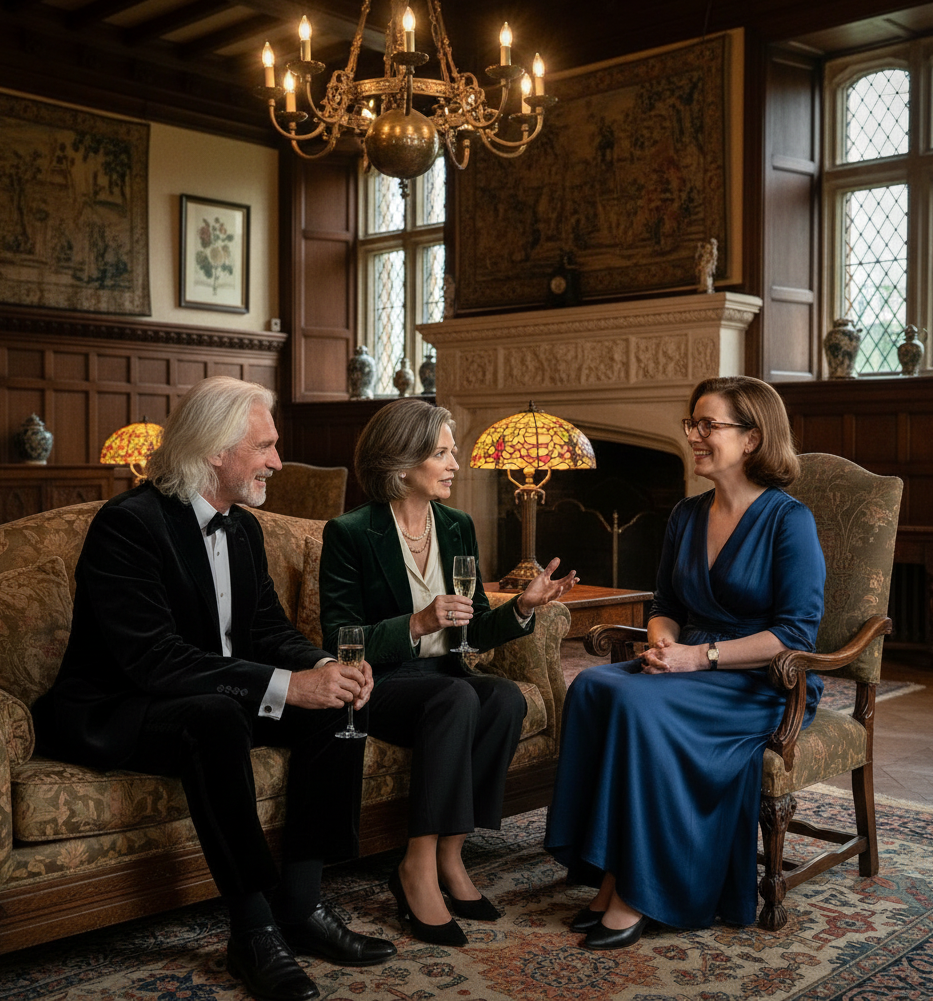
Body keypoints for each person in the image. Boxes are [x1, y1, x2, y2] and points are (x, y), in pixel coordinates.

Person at [32, 376, 396, 1001]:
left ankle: (302, 907)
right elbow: (154, 659)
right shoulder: (129, 524)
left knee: (335, 707)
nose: (277, 462)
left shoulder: (243, 528)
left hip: (215, 695)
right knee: (217, 716)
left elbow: (267, 630)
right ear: (214, 450)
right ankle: (252, 931)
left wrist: (323, 668)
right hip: (122, 706)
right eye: (265, 447)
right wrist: (286, 685)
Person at [544, 375, 826, 949]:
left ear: (751, 438)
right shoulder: (686, 514)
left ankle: (639, 891)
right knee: (592, 688)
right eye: (691, 424)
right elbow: (667, 606)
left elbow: (795, 634)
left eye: (708, 425)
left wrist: (698, 657)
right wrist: (663, 646)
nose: (694, 435)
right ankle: (611, 871)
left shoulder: (788, 519)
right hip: (688, 662)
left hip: (761, 680)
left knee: (633, 701)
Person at [319, 398, 578, 946]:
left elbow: (474, 628)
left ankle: (450, 853)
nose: (455, 464)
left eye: (452, 452)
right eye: (442, 453)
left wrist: (523, 607)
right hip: (382, 681)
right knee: (457, 698)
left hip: (444, 674)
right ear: (402, 461)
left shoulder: (457, 526)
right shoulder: (351, 532)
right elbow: (341, 640)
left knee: (505, 697)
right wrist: (417, 622)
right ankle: (415, 864)